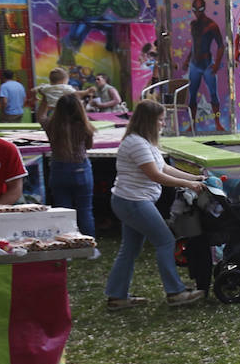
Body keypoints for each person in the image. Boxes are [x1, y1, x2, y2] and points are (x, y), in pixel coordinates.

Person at [105, 100, 207, 310]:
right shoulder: (136, 143)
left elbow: (165, 169)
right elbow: (156, 175)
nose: (163, 124)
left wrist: (195, 179)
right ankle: (175, 292)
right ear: (149, 121)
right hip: (133, 201)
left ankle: (117, 296)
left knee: (130, 249)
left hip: (130, 201)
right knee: (165, 241)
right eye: (160, 120)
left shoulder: (144, 142)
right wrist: (188, 183)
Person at [44, 93, 97, 245]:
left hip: (59, 169)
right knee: (85, 210)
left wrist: (45, 98)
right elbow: (88, 146)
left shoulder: (51, 126)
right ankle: (89, 247)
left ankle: (66, 246)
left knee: (62, 212)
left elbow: (41, 116)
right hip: (81, 168)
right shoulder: (85, 126)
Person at [184, 0, 226, 131]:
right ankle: (192, 124)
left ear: (204, 9)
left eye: (200, 9)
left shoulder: (212, 25)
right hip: (195, 64)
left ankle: (218, 123)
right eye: (195, 10)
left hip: (207, 63)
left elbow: (221, 45)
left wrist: (217, 64)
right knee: (192, 94)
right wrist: (187, 60)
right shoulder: (193, 25)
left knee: (214, 94)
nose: (197, 12)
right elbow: (194, 45)